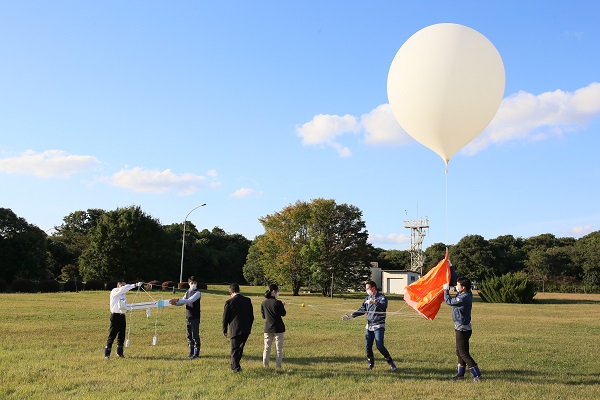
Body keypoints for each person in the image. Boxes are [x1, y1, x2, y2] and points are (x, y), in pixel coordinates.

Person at [343, 281, 397, 371]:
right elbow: (362, 309)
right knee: (368, 347)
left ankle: (391, 363)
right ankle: (371, 365)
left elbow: (383, 306)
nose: (367, 290)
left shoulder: (382, 297)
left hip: (379, 325)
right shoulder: (367, 298)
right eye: (366, 288)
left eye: (368, 288)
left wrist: (374, 303)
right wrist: (351, 315)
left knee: (379, 346)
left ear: (373, 288)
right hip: (369, 325)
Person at [443, 277, 482, 382]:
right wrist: (449, 266)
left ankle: (477, 375)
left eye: (457, 285)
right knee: (459, 352)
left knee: (464, 353)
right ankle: (460, 375)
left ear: (463, 287)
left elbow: (449, 301)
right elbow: (455, 276)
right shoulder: (463, 293)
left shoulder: (464, 297)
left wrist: (445, 290)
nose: (456, 286)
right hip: (461, 328)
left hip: (462, 329)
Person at [104, 279, 143, 358]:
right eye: (123, 285)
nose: (124, 287)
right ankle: (107, 354)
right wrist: (135, 285)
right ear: (118, 285)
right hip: (115, 316)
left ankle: (120, 353)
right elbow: (123, 289)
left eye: (125, 285)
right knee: (112, 334)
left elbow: (124, 305)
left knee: (122, 335)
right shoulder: (115, 291)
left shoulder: (123, 295)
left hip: (122, 316)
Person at [222, 283, 254, 372]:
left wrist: (224, 329)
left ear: (231, 292)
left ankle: (235, 368)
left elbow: (225, 318)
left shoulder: (229, 302)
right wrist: (249, 327)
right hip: (246, 328)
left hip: (235, 329)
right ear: (239, 290)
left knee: (234, 349)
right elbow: (251, 316)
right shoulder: (247, 300)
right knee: (240, 348)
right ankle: (235, 365)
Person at [169, 276, 202, 359]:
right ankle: (191, 352)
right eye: (192, 283)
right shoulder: (187, 292)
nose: (193, 284)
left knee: (195, 335)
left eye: (195, 283)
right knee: (189, 335)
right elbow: (182, 302)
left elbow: (189, 300)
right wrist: (174, 303)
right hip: (188, 316)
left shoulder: (198, 293)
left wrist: (177, 300)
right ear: (188, 283)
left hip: (195, 317)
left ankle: (196, 353)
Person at [261, 284, 286, 369]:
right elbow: (283, 313)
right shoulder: (278, 303)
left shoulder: (264, 303)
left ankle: (265, 365)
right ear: (274, 291)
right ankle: (278, 366)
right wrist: (282, 306)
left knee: (267, 348)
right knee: (279, 349)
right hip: (278, 328)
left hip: (268, 328)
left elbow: (263, 316)